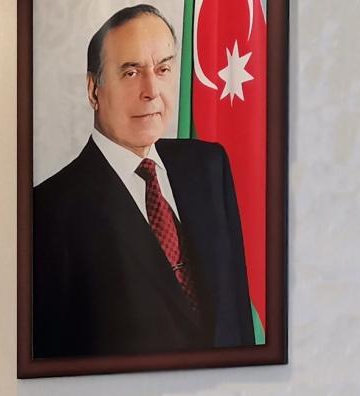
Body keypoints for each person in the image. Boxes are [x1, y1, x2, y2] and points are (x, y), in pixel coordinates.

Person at [33, 4, 254, 359]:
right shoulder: (48, 210)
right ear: (93, 90)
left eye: (163, 69)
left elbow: (238, 314)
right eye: (131, 72)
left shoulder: (209, 167)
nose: (152, 90)